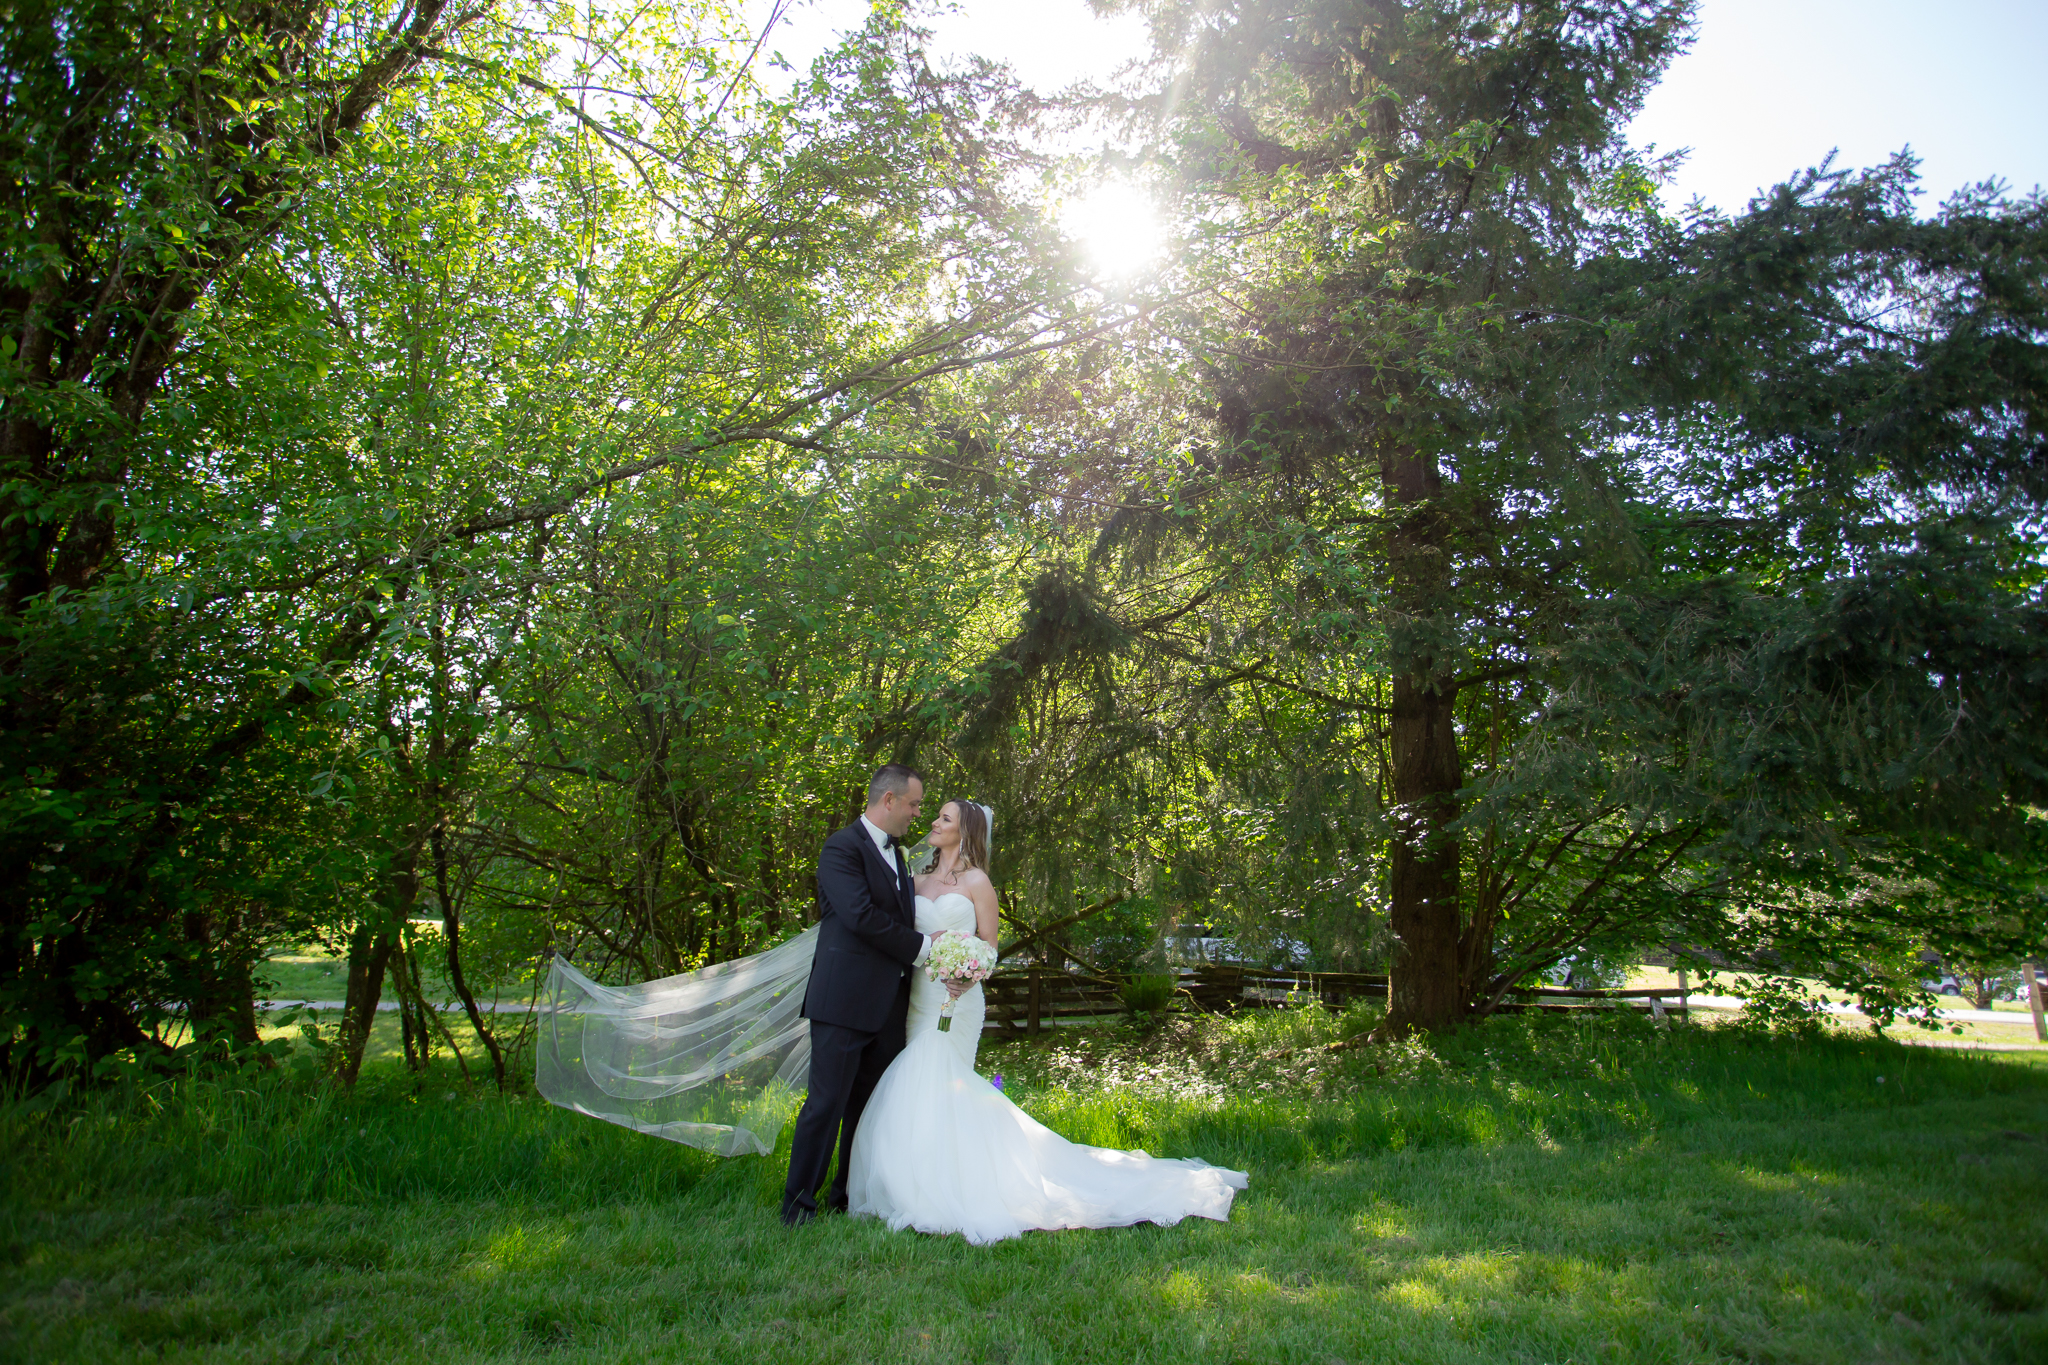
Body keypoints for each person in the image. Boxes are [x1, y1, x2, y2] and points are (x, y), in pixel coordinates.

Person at [843, 798, 1248, 1245]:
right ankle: (914, 1181)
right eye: (936, 815)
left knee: (945, 1079)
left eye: (945, 819)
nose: (933, 824)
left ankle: (954, 1186)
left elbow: (990, 949)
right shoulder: (913, 881)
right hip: (920, 998)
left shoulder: (979, 883)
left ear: (966, 831)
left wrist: (966, 973)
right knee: (919, 1084)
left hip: (960, 1000)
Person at [780, 763, 943, 1225]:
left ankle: (847, 1196)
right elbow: (859, 916)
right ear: (888, 800)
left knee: (868, 1106)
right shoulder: (841, 847)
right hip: (844, 1000)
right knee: (827, 1104)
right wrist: (925, 949)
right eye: (913, 804)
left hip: (890, 1004)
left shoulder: (900, 853)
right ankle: (797, 1205)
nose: (917, 813)